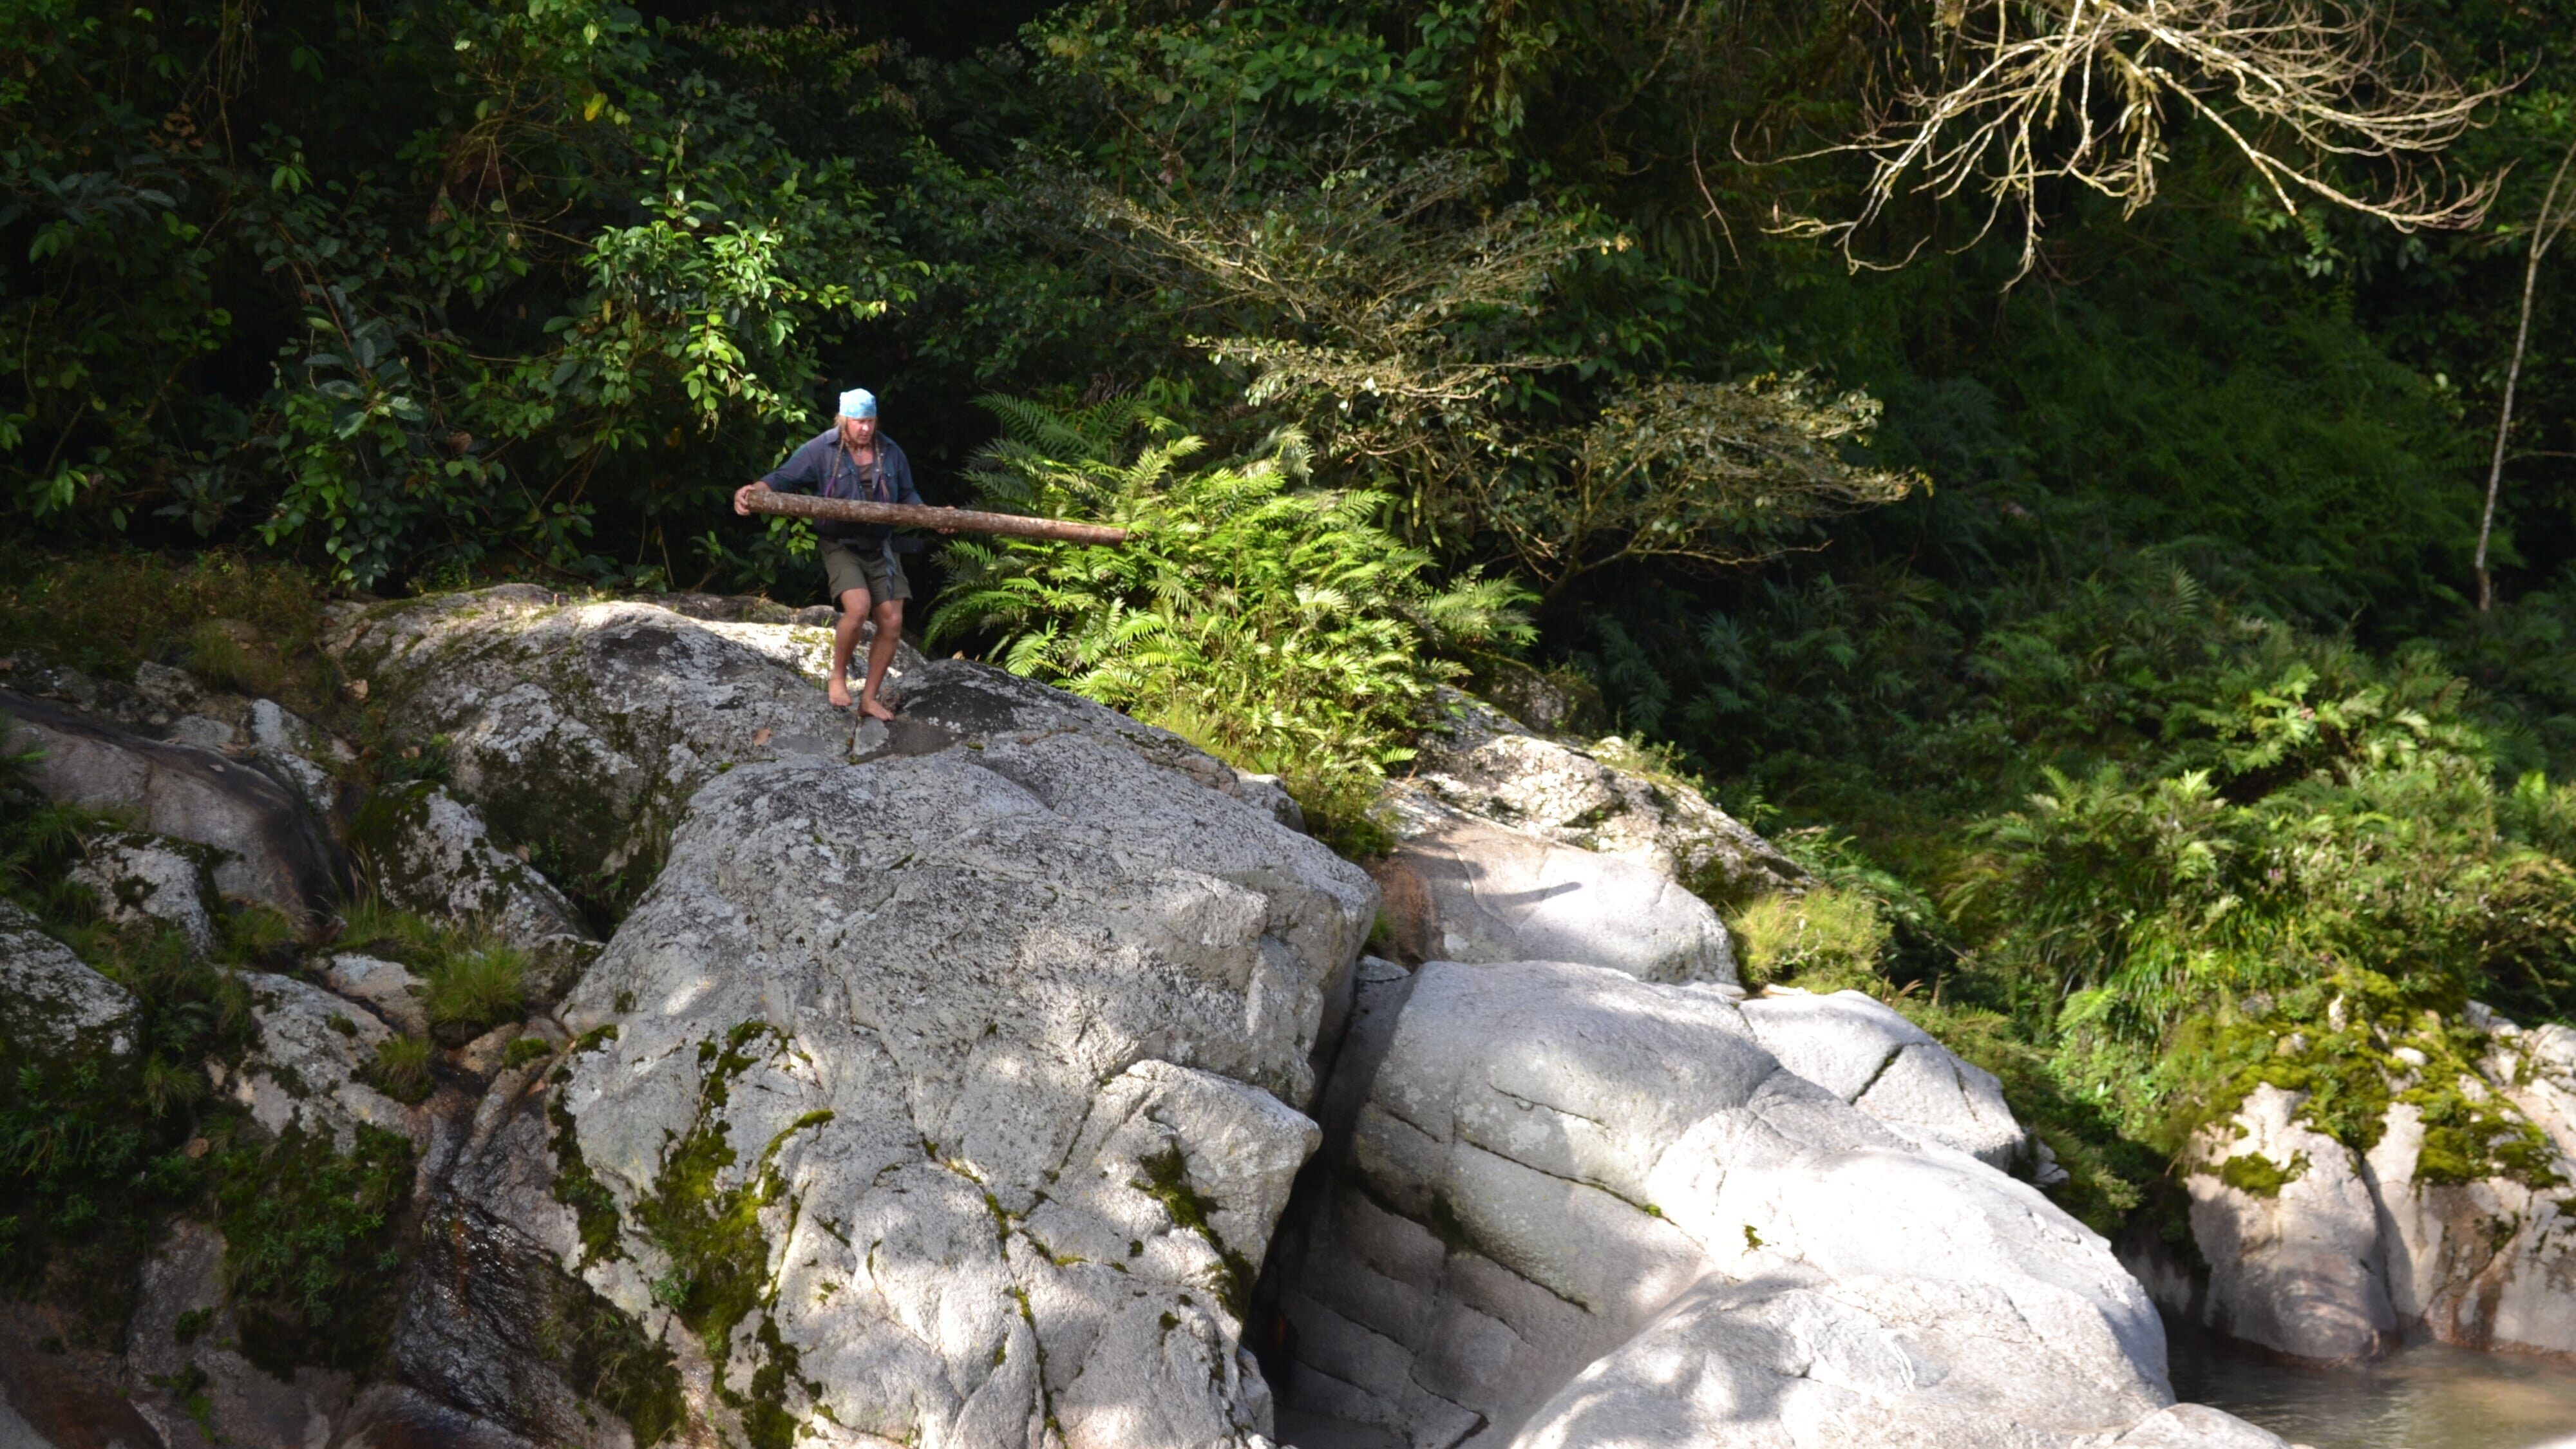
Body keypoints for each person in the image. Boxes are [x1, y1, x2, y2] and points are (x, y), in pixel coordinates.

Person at [735, 388, 923, 719]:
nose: (865, 428)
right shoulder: (822, 449)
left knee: (892, 620)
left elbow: (908, 496)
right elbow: (782, 478)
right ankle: (837, 678)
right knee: (859, 607)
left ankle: (869, 698)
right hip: (840, 544)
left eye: (870, 421)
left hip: (882, 546)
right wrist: (756, 491)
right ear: (844, 420)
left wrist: (935, 515)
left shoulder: (891, 452)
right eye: (858, 421)